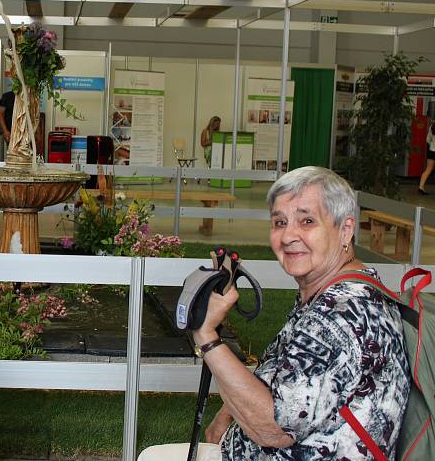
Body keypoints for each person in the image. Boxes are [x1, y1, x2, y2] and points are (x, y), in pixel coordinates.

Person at [139, 166, 409, 461]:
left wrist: (206, 335)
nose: (289, 235)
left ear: (345, 230)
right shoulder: (334, 291)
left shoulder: (341, 314)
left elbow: (273, 429)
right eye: (280, 222)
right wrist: (231, 411)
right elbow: (292, 378)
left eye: (307, 221)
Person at [418, 122, 435, 194]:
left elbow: (427, 139)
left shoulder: (433, 126)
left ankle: (421, 187)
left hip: (432, 151)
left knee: (428, 169)